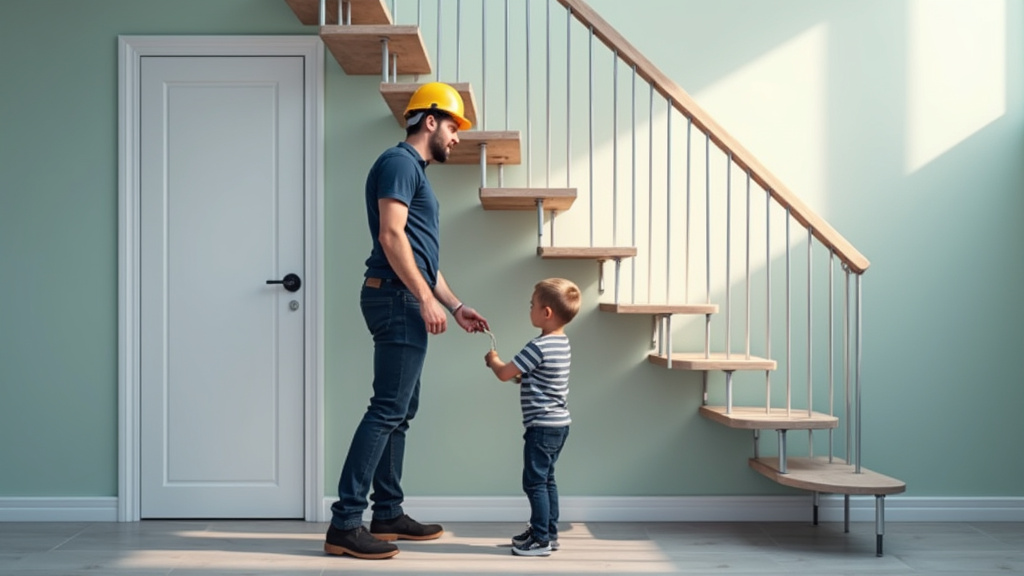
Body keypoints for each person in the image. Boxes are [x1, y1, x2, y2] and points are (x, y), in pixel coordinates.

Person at [325, 82, 488, 560]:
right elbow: (391, 236)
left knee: (400, 410)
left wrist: (454, 305)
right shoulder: (399, 163)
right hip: (395, 299)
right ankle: (345, 523)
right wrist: (423, 299)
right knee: (387, 409)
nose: (458, 138)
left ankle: (388, 512)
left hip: (403, 296)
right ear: (430, 120)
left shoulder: (414, 171)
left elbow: (421, 256)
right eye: (455, 127)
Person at [483, 277, 581, 557]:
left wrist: (493, 361)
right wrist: (521, 379)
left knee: (534, 482)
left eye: (532, 305)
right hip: (559, 424)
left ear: (546, 313)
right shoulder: (562, 343)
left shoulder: (537, 347)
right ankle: (549, 532)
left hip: (542, 426)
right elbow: (537, 379)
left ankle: (540, 540)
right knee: (547, 479)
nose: (530, 310)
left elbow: (504, 373)